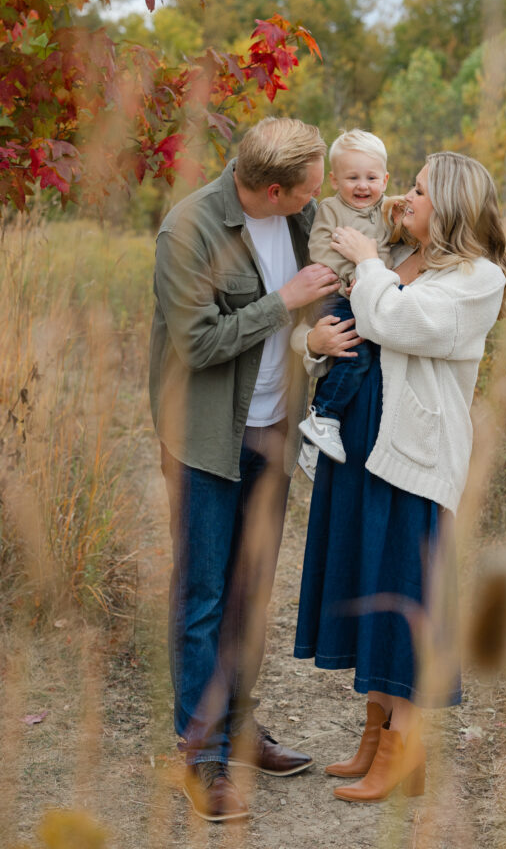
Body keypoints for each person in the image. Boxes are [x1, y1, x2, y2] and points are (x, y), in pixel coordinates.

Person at [292, 151, 506, 803]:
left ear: (447, 205)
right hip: (367, 446)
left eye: (419, 190)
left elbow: (392, 321)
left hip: (414, 457)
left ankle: (405, 753)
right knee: (373, 584)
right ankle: (374, 735)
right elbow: (353, 315)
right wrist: (374, 256)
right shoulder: (404, 257)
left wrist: (368, 260)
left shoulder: (477, 277)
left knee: (404, 591)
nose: (406, 197)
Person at [149, 117, 341, 823]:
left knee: (251, 592)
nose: (315, 202)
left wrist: (313, 333)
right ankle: (201, 756)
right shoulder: (188, 230)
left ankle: (239, 727)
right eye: (307, 191)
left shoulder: (303, 219)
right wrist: (283, 304)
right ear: (269, 188)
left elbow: (333, 273)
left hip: (274, 433)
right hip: (204, 438)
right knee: (202, 595)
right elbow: (198, 344)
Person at [298, 129, 394, 467]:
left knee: (367, 357)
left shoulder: (389, 210)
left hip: (371, 293)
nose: (362, 186)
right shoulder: (330, 209)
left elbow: (393, 248)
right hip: (339, 295)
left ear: (385, 179)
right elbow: (322, 248)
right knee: (355, 353)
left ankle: (313, 441)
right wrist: (351, 277)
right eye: (352, 177)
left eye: (371, 177)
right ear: (335, 180)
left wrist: (376, 275)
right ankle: (323, 416)